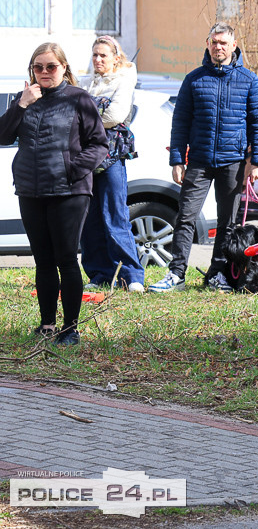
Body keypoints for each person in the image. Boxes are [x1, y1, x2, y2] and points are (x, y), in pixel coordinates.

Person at [149, 23, 258, 292]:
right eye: (214, 42)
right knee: (185, 217)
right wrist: (177, 160)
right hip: (199, 161)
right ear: (207, 44)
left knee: (228, 223)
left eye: (223, 43)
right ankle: (176, 274)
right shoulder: (194, 79)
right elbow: (180, 122)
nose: (218, 47)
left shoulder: (249, 79)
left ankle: (218, 275)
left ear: (233, 45)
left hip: (233, 162)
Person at [0, 43, 108, 345]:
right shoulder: (24, 98)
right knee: (43, 260)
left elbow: (99, 144)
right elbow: (3, 136)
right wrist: (22, 105)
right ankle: (47, 324)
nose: (44, 72)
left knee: (66, 258)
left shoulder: (79, 98)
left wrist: (71, 169)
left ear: (63, 68)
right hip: (31, 189)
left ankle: (70, 328)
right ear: (32, 70)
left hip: (69, 191)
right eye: (38, 67)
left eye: (51, 66)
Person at [77, 36, 146, 293]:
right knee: (89, 219)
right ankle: (100, 274)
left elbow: (115, 115)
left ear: (116, 58)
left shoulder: (124, 80)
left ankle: (132, 276)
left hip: (112, 157)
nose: (98, 59)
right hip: (85, 156)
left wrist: (86, 118)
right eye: (95, 54)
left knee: (115, 216)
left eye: (103, 55)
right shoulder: (86, 83)